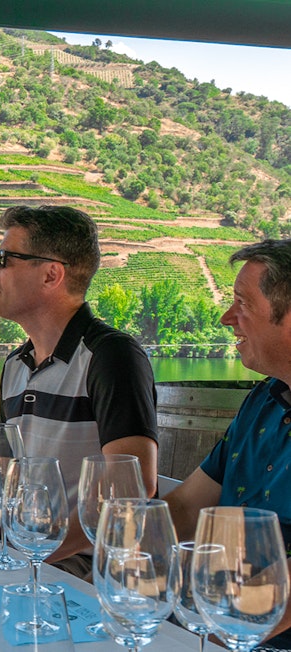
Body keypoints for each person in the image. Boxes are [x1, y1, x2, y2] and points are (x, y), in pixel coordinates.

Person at [0, 205, 158, 576]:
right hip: (25, 558)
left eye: (4, 259)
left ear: (51, 274)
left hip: (90, 571)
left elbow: (133, 487)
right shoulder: (16, 365)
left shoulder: (111, 357)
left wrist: (34, 554)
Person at [166, 239, 291, 647]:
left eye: (243, 304)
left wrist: (222, 629)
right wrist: (118, 543)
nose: (226, 318)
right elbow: (186, 505)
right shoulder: (263, 402)